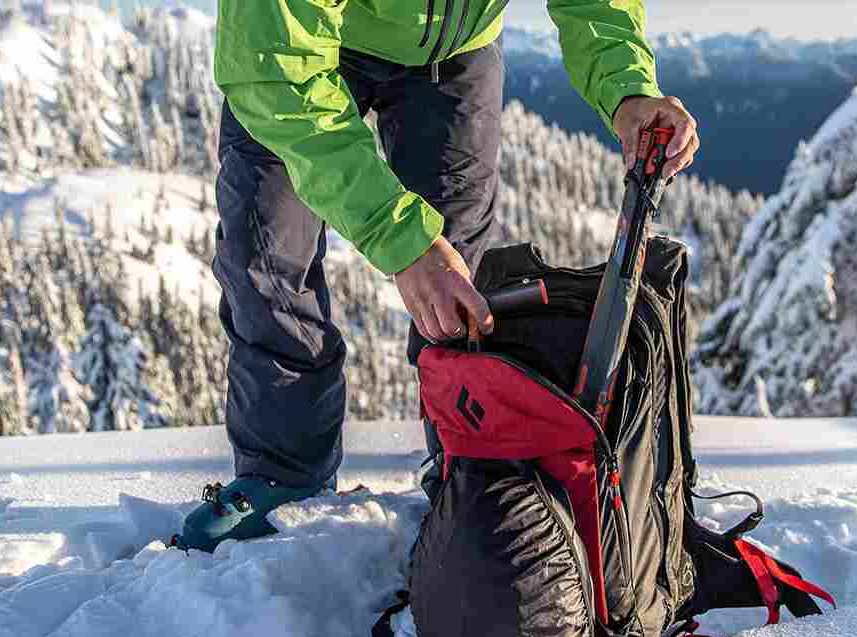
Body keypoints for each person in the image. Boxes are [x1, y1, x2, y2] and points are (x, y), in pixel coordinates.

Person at [177, 1, 700, 553]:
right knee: (268, 258)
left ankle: (464, 464)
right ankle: (282, 476)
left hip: (454, 55)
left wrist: (627, 87)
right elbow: (276, 71)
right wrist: (403, 242)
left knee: (460, 286)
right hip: (294, 59)